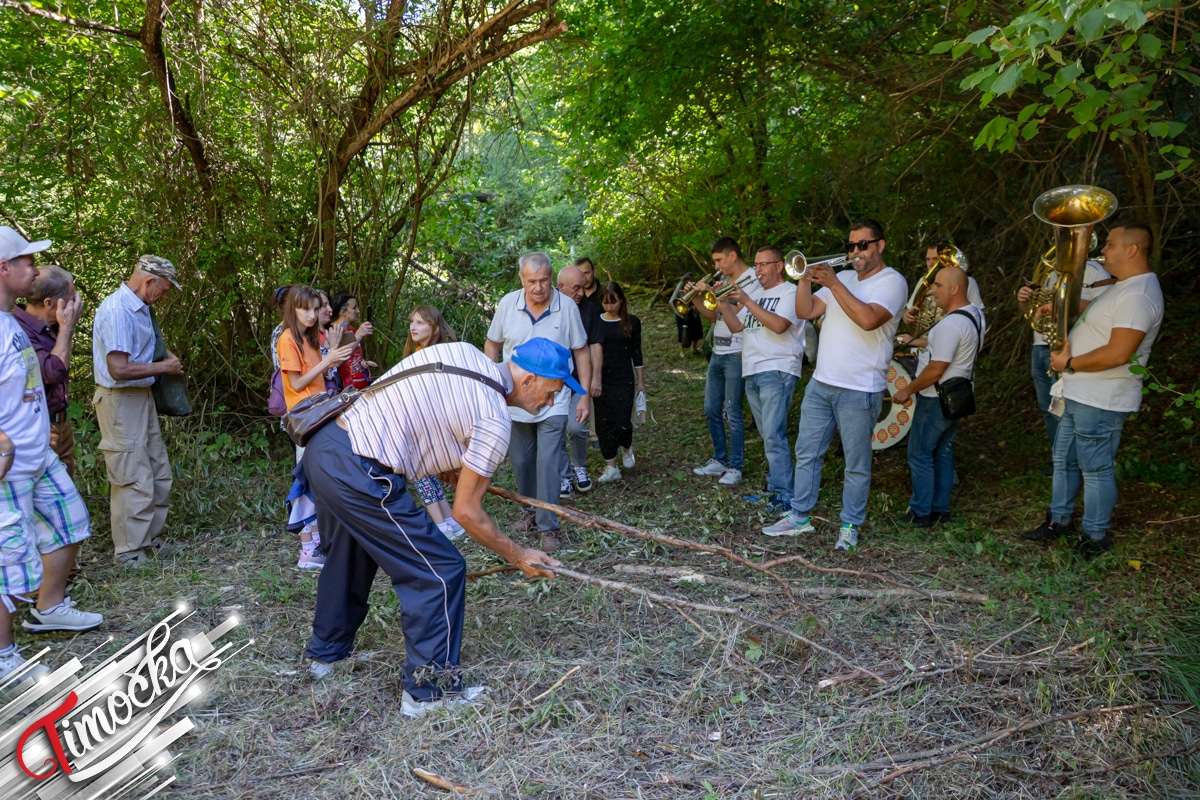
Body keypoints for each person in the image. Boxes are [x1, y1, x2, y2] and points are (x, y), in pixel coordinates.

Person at [302, 338, 568, 717]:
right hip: (361, 470)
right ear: (529, 380)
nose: (551, 402)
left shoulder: (464, 352)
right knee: (440, 572)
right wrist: (520, 554)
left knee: (351, 553)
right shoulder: (493, 418)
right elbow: (466, 513)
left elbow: (422, 413)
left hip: (325, 446)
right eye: (552, 391)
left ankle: (325, 656)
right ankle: (429, 693)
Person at [763, 219, 908, 550]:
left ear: (880, 246)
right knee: (807, 452)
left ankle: (849, 525)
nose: (855, 251)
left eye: (863, 245)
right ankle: (800, 517)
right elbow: (805, 310)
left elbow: (869, 319)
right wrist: (803, 279)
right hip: (821, 382)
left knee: (856, 462)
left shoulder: (892, 282)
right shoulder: (841, 277)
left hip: (860, 388)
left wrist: (834, 283)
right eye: (851, 245)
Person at [1021, 222, 1163, 557]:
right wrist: (1055, 307)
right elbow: (1100, 317)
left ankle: (1095, 536)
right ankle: (1059, 521)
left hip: (1101, 398)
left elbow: (1118, 353)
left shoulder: (1139, 294)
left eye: (1110, 245)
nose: (1102, 251)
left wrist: (1068, 364)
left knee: (1095, 469)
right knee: (1063, 459)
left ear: (1131, 250)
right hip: (1079, 392)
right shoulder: (1123, 288)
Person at [0, 227, 103, 681]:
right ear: (4, 269)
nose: (34, 270)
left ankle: (51, 607)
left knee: (70, 521)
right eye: (27, 262)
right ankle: (4, 656)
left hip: (37, 456)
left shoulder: (10, 323)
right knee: (8, 560)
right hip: (7, 467)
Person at [484, 253, 590, 552]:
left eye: (544, 280)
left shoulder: (566, 306)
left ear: (551, 278)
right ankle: (530, 510)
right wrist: (492, 385)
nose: (539, 287)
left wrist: (583, 395)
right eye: (532, 281)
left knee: (548, 461)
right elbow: (492, 344)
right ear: (522, 279)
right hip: (517, 397)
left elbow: (581, 351)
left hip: (554, 397)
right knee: (521, 460)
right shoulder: (507, 304)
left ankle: (549, 526)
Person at [92, 254, 185, 565]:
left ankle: (150, 538)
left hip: (140, 397)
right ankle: (129, 551)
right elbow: (118, 368)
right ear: (149, 281)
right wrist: (164, 367)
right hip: (120, 401)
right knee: (131, 475)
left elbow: (148, 349)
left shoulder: (141, 308)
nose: (165, 295)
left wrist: (163, 360)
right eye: (165, 289)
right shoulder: (118, 310)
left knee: (158, 470)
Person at [892, 267, 985, 525]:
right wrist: (916, 341)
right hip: (958, 396)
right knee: (942, 452)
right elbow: (948, 347)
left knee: (919, 454)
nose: (932, 291)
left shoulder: (951, 323)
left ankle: (920, 513)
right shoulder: (974, 315)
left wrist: (906, 390)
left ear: (955, 288)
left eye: (939, 286)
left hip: (935, 398)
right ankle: (940, 510)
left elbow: (935, 369)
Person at [277, 285, 355, 569]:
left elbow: (324, 375)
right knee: (307, 480)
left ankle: (319, 544)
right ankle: (307, 550)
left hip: (320, 415)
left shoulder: (310, 337)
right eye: (305, 309)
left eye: (314, 309)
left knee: (319, 479)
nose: (312, 315)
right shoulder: (287, 339)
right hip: (304, 420)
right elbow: (297, 384)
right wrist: (327, 361)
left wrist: (330, 356)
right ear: (292, 309)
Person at [722, 246, 804, 512]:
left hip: (777, 369)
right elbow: (736, 327)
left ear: (779, 266)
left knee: (773, 434)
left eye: (763, 265)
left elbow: (780, 326)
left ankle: (785, 495)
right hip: (753, 370)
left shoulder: (790, 292)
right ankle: (774, 487)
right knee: (767, 434)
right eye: (755, 265)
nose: (757, 270)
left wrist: (746, 301)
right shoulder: (757, 295)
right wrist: (721, 301)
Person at [1017, 250, 1111, 475]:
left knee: (1065, 408)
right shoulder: (1050, 272)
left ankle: (1072, 464)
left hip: (1068, 345)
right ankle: (1059, 458)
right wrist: (1024, 301)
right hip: (1040, 345)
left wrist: (1064, 303)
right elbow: (1031, 314)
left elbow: (1105, 307)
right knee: (1048, 408)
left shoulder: (1094, 270)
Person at [690, 237, 760, 487]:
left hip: (737, 353)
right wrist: (697, 298)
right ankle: (720, 458)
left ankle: (736, 465)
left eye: (719, 260)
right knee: (711, 409)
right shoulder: (725, 280)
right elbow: (713, 316)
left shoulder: (752, 279)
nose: (717, 265)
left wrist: (715, 294)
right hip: (718, 353)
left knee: (733, 411)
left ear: (733, 256)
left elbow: (739, 316)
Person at [402, 305, 466, 540]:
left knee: (420, 470)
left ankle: (441, 524)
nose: (413, 327)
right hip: (420, 419)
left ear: (435, 328)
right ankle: (449, 520)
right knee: (425, 471)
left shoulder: (438, 355)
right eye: (412, 322)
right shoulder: (418, 352)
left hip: (431, 422)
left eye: (420, 322)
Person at [13, 265, 83, 476]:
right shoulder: (19, 330)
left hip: (61, 425)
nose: (75, 304)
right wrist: (67, 328)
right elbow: (51, 373)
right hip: (38, 429)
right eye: (70, 299)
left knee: (67, 493)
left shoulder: (53, 326)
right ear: (49, 304)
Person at [555, 265, 603, 495]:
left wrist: (595, 377)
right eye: (575, 288)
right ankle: (564, 476)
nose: (580, 293)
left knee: (576, 428)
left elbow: (594, 345)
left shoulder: (589, 309)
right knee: (555, 431)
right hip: (553, 384)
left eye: (582, 288)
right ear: (560, 287)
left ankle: (580, 467)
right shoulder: (549, 307)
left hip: (577, 381)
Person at [593, 282, 644, 483]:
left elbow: (636, 352)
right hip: (602, 378)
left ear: (621, 300)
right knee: (604, 422)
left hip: (624, 377)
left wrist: (641, 381)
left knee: (623, 420)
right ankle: (611, 466)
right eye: (605, 303)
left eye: (613, 302)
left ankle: (627, 446)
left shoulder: (632, 322)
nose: (610, 307)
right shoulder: (596, 323)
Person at [330, 294, 376, 390]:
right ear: (343, 312)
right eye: (354, 308)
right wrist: (359, 335)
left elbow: (353, 355)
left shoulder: (351, 330)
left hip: (361, 387)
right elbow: (337, 361)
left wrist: (363, 362)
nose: (358, 311)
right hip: (345, 391)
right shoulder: (332, 331)